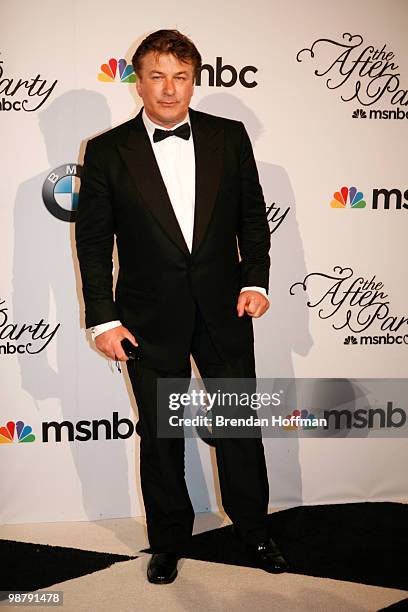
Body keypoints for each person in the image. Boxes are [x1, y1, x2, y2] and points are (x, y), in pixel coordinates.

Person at [75, 29, 289, 584]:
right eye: (157, 76)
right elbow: (95, 244)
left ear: (195, 80)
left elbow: (253, 220)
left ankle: (255, 530)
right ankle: (168, 540)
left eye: (181, 77)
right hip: (146, 318)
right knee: (162, 435)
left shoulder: (229, 136)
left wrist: (257, 283)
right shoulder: (105, 151)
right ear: (137, 81)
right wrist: (103, 318)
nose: (170, 89)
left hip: (226, 311)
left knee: (238, 425)